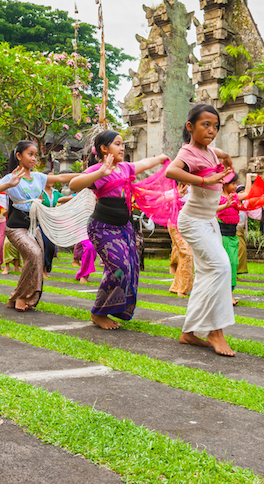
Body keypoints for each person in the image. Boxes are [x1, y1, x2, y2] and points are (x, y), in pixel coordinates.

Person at [69, 130, 167, 329]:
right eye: (117, 144)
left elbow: (143, 164)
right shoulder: (98, 170)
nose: (122, 147)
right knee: (119, 267)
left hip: (125, 228)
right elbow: (73, 184)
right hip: (102, 228)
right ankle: (98, 312)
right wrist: (100, 173)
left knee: (130, 268)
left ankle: (117, 309)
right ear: (104, 149)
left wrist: (160, 158)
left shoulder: (125, 168)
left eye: (123, 144)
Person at [164, 104, 236, 355]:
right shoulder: (189, 152)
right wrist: (205, 180)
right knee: (221, 267)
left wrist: (226, 158)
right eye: (206, 125)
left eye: (216, 126)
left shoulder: (209, 152)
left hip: (209, 221)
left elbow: (218, 152)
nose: (212, 130)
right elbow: (171, 170)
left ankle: (190, 332)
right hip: (193, 221)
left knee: (209, 274)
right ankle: (215, 332)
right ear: (190, 127)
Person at [0, 141, 76, 311]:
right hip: (15, 228)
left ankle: (20, 297)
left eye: (35, 155)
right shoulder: (10, 178)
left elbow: (62, 178)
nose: (34, 158)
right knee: (34, 254)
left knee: (37, 259)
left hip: (34, 228)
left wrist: (90, 173)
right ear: (19, 156)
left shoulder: (39, 178)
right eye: (30, 154)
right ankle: (19, 296)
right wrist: (8, 185)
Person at [216, 173, 255, 305]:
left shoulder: (235, 197)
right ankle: (227, 295)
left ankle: (228, 293)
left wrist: (249, 176)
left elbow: (248, 193)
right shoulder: (218, 197)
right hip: (222, 236)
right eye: (233, 184)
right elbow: (212, 208)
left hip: (233, 236)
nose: (235, 186)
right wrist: (226, 205)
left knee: (233, 264)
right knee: (227, 265)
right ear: (225, 184)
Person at [168, 182, 193, 296]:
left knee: (185, 255)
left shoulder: (193, 190)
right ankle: (181, 288)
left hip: (188, 225)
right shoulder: (171, 192)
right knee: (187, 254)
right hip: (174, 225)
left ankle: (176, 286)